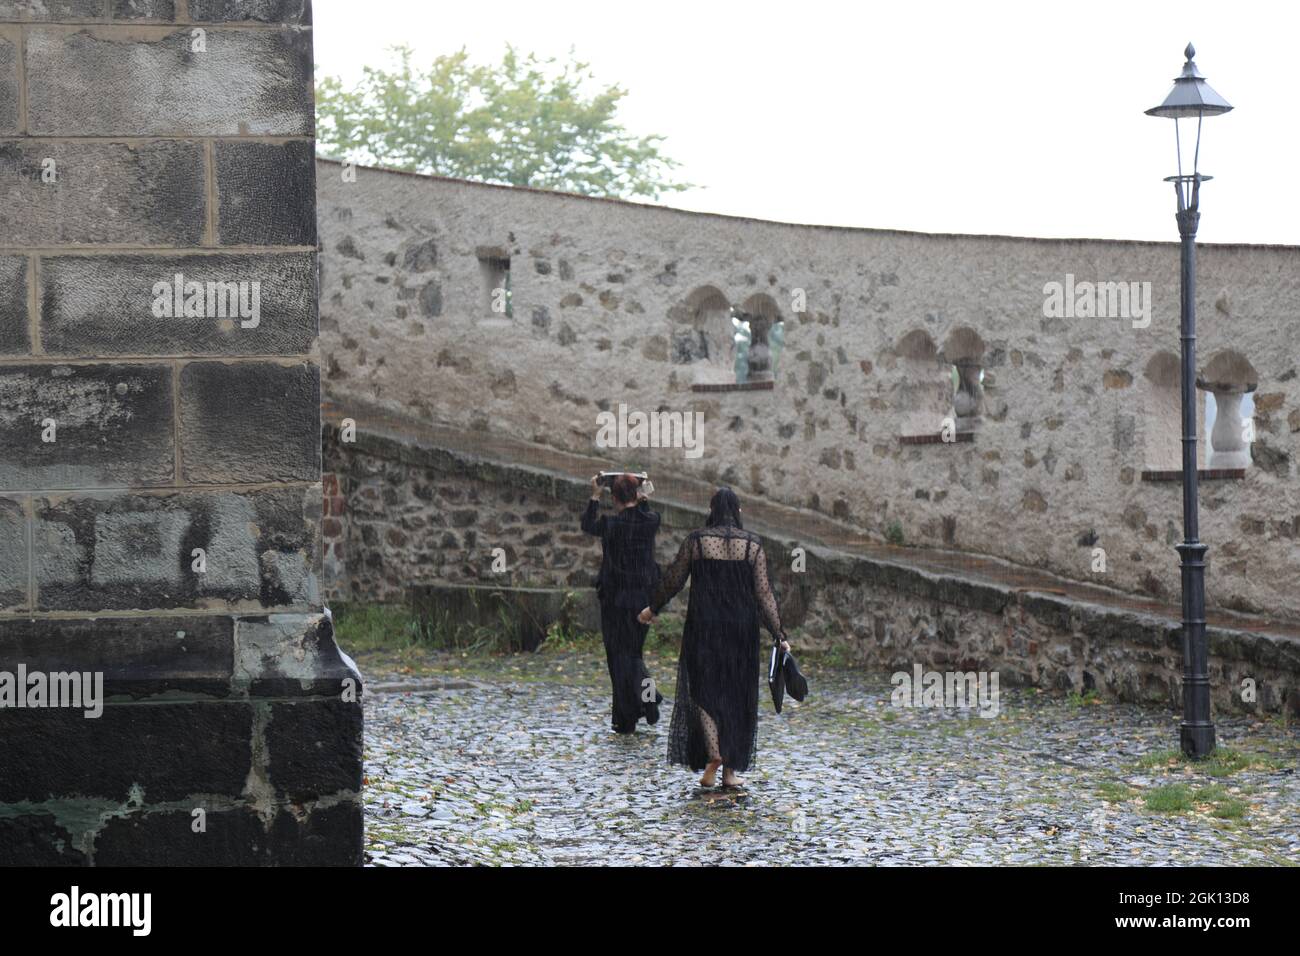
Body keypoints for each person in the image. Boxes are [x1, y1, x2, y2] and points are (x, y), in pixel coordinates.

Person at [639, 487, 790, 789]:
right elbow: (764, 596)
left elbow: (673, 580)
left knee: (702, 691)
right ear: (739, 512)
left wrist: (651, 608)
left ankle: (714, 753)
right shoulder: (753, 547)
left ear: (711, 510)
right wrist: (780, 635)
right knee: (737, 695)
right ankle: (730, 772)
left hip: (704, 627)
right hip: (741, 630)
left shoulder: (697, 542)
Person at [581, 473, 665, 734]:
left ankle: (646, 703)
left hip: (616, 601)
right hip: (643, 600)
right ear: (636, 496)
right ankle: (627, 716)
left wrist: (595, 496)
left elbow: (587, 525)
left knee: (619, 657)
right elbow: (647, 514)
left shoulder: (611, 525)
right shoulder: (651, 521)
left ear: (614, 498)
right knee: (632, 655)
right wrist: (644, 498)